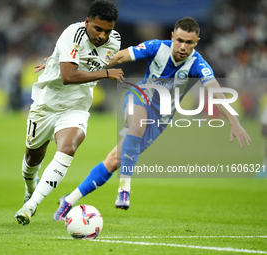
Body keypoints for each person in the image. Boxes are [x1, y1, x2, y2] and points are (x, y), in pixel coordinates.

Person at [51, 16, 251, 221]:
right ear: (172, 37)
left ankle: (68, 200)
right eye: (180, 40)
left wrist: (233, 121)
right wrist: (79, 70)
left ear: (196, 42)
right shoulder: (156, 47)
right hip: (139, 96)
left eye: (189, 42)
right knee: (137, 126)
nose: (183, 46)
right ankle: (124, 188)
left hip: (160, 119)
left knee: (113, 161)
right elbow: (119, 57)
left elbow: (215, 93)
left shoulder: (198, 64)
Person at [14, 0, 124, 225]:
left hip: (76, 106)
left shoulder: (115, 41)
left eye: (107, 30)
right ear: (87, 22)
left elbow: (92, 60)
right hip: (46, 104)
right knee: (32, 157)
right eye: (98, 29)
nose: (103, 35)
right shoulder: (72, 34)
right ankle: (30, 186)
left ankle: (30, 206)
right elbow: (68, 76)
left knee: (68, 148)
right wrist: (105, 74)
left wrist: (57, 58)